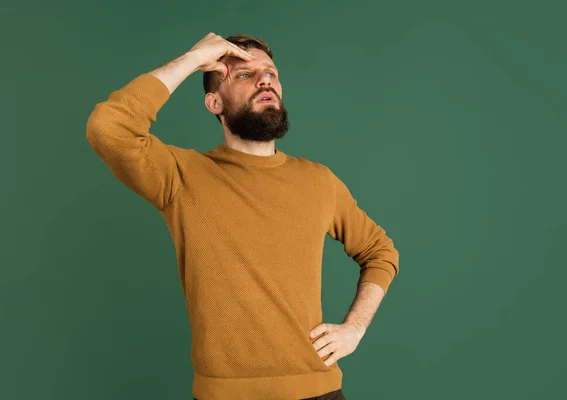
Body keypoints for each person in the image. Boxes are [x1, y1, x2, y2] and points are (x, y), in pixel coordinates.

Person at [85, 32, 399, 400]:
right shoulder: (182, 175)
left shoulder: (319, 181)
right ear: (213, 102)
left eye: (271, 72)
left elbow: (381, 251)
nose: (265, 79)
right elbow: (109, 129)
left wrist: (354, 329)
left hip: (320, 390)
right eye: (243, 75)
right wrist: (194, 58)